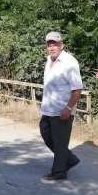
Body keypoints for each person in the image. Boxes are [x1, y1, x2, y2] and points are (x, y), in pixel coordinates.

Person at [39, 31, 83, 182]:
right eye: (49, 45)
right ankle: (69, 159)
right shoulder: (49, 60)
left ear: (61, 45)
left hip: (62, 110)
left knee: (60, 142)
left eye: (55, 45)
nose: (52, 48)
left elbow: (77, 90)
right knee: (46, 135)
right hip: (48, 108)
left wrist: (69, 108)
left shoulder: (69, 63)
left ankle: (59, 172)